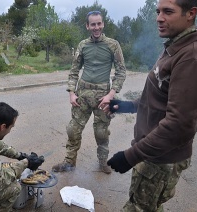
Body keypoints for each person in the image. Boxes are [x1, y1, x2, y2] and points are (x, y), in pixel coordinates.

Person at [105, 0, 197, 211]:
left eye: (168, 11)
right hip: (153, 153)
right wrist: (127, 106)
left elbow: (179, 125)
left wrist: (131, 156)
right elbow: (157, 98)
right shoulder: (175, 47)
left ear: (190, 13)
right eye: (158, 11)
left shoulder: (192, 57)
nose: (159, 18)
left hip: (160, 158)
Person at [52, 11, 126, 174]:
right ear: (87, 26)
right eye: (93, 24)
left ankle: (102, 162)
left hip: (103, 96)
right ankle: (69, 162)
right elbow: (73, 70)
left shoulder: (113, 45)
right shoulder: (82, 45)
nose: (96, 27)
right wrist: (72, 92)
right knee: (73, 130)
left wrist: (111, 95)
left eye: (99, 23)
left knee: (101, 132)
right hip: (83, 94)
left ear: (103, 24)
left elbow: (121, 72)